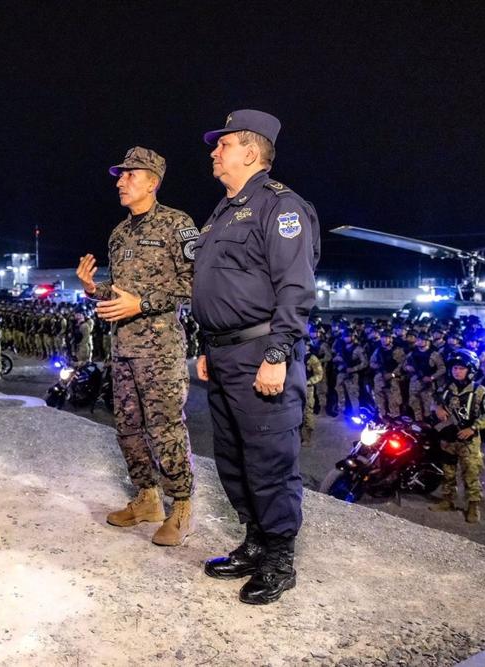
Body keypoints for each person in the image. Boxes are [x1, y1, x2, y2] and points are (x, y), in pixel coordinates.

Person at [192, 110, 320, 605]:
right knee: (233, 457)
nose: (214, 152)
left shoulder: (281, 207)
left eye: (223, 144)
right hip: (224, 354)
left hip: (260, 352)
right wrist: (208, 346)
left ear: (251, 150)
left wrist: (278, 352)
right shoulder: (221, 211)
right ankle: (253, 542)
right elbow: (218, 287)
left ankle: (279, 558)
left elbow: (295, 286)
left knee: (269, 459)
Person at [76, 146, 197, 547]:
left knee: (165, 429)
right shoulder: (120, 233)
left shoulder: (177, 225)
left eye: (130, 174)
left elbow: (195, 284)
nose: (120, 181)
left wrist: (142, 302)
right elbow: (119, 294)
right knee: (127, 429)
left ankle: (180, 506)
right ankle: (147, 499)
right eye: (120, 174)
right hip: (123, 347)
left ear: (152, 181)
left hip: (161, 349)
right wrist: (95, 289)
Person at [428, 349, 485, 523]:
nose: (456, 371)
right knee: (448, 472)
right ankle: (447, 500)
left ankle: (473, 506)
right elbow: (433, 402)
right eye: (454, 368)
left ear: (470, 370)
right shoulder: (445, 388)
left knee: (471, 473)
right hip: (448, 438)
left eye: (461, 368)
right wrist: (437, 408)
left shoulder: (480, 392)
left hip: (468, 441)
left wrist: (473, 428)